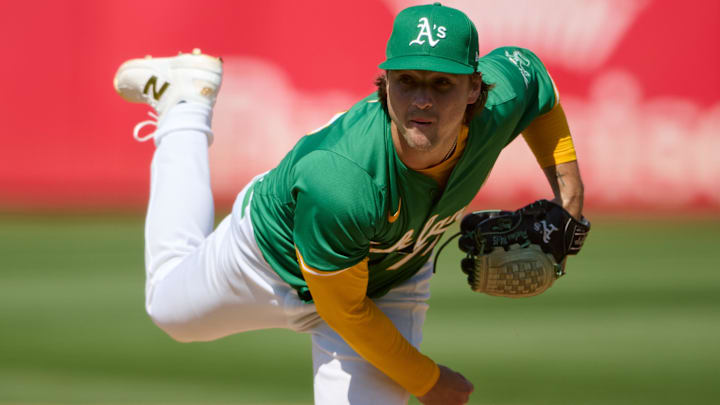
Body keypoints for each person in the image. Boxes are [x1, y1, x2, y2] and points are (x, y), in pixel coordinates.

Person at [114, 3, 584, 405]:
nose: (422, 99)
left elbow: (533, 77)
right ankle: (185, 105)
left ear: (476, 89)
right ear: (384, 81)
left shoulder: (500, 103)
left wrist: (570, 205)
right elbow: (344, 311)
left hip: (393, 275)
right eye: (407, 81)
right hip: (267, 259)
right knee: (169, 311)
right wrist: (428, 380)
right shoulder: (341, 179)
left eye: (442, 84)